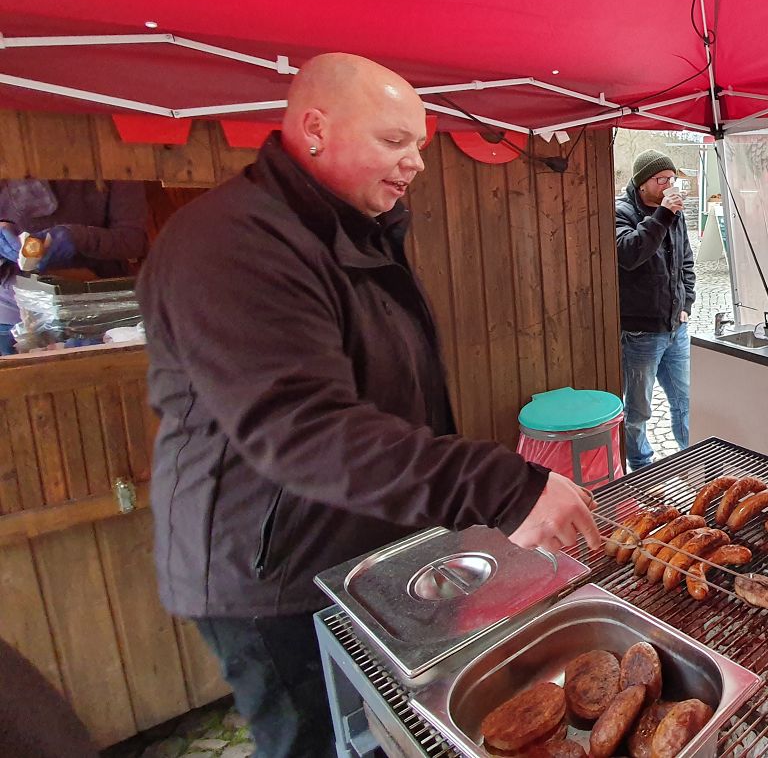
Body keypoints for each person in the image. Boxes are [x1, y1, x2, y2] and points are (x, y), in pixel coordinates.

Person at [139, 53, 602, 758]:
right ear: (314, 129)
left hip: (357, 551)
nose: (415, 161)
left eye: (418, 143)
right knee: (315, 743)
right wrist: (503, 485)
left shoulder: (352, 229)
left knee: (382, 733)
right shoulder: (231, 243)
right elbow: (305, 430)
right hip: (274, 573)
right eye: (393, 140)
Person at [614, 149, 696, 472]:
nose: (668, 185)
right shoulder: (622, 212)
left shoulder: (675, 214)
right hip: (640, 333)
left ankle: (695, 463)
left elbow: (686, 260)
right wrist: (662, 215)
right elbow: (630, 254)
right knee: (638, 410)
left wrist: (686, 302)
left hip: (676, 327)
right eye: (661, 179)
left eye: (671, 178)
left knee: (685, 401)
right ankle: (641, 469)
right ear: (642, 183)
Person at [0, 177, 149, 352]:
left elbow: (133, 240)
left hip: (100, 309)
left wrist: (79, 238)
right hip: (13, 313)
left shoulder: (114, 165)